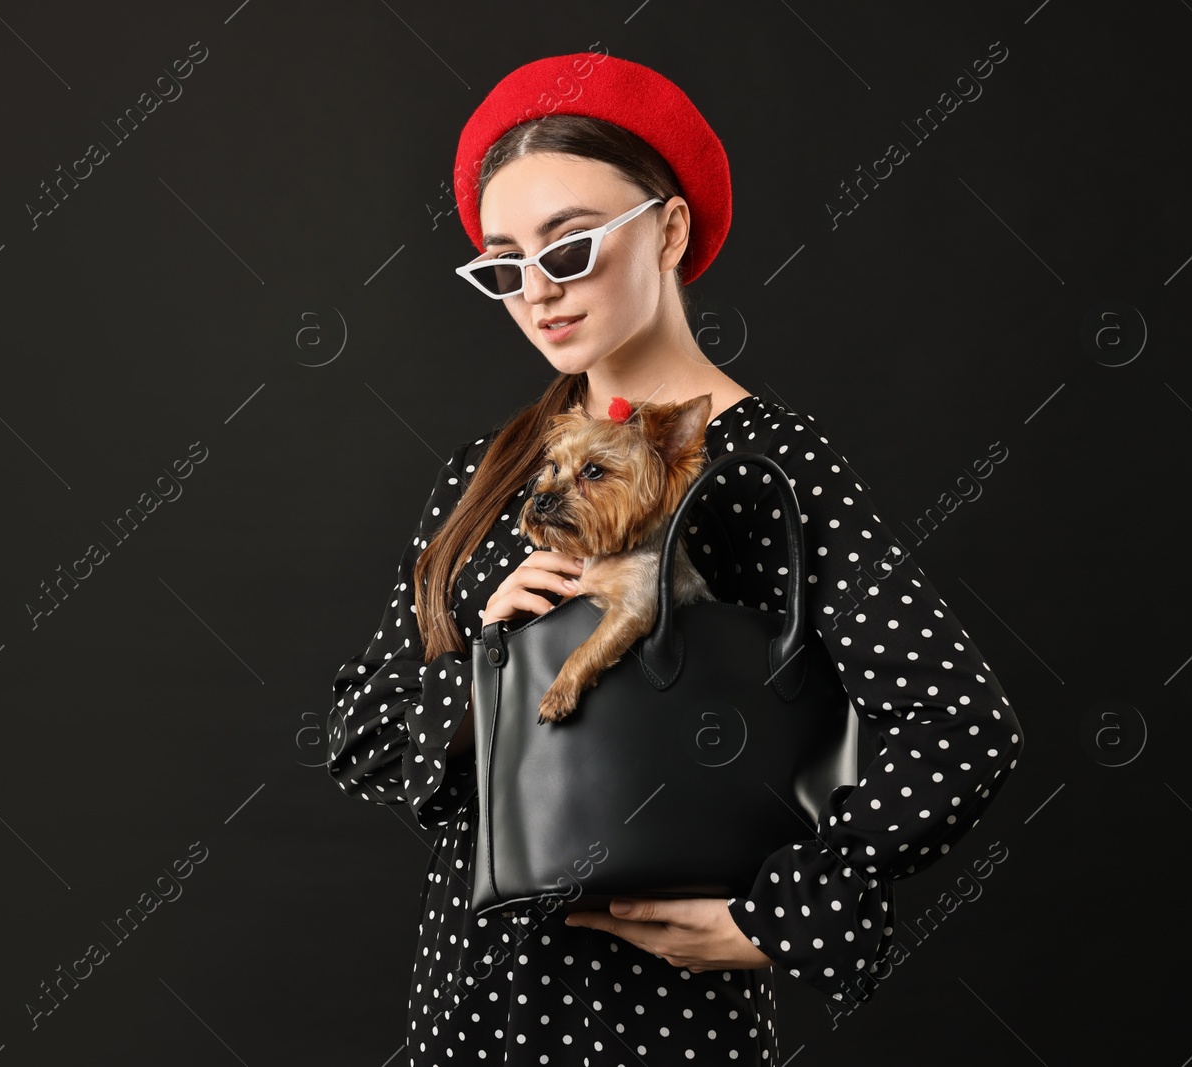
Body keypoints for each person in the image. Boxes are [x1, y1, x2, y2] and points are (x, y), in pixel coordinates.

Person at [326, 51, 1024, 1065]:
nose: (537, 294)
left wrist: (779, 914)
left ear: (668, 227)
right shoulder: (489, 473)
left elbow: (960, 725)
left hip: (659, 1022)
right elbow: (360, 729)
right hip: (469, 1010)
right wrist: (487, 659)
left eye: (568, 251)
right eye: (504, 265)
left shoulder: (771, 469)